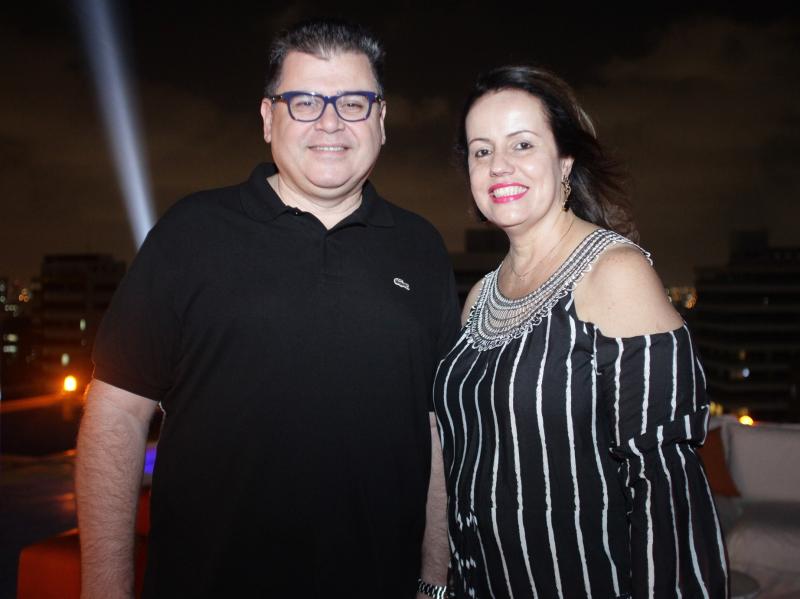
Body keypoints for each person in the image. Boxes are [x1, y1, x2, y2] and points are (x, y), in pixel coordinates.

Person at [76, 19, 460, 599]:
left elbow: (433, 430)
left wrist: (433, 580)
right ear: (267, 118)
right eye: (304, 101)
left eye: (353, 102)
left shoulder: (422, 248)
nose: (330, 122)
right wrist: (104, 589)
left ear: (381, 120)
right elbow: (118, 413)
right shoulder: (191, 232)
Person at [432, 65, 728, 599]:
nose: (498, 165)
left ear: (565, 160)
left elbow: (664, 486)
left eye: (522, 144)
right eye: (481, 150)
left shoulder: (613, 272)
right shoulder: (478, 298)